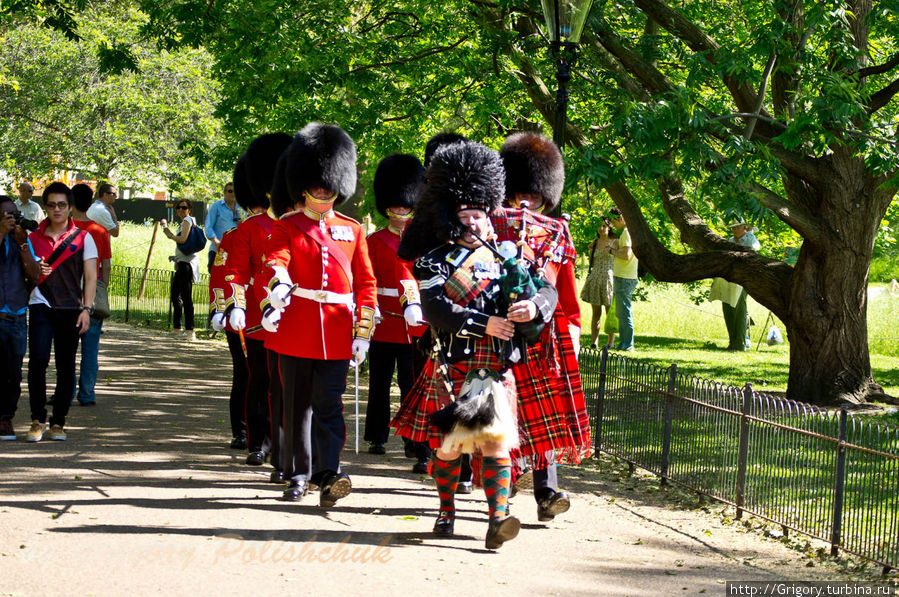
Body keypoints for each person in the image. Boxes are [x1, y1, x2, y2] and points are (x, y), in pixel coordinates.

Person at [393, 140, 558, 549]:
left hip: (497, 369)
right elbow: (436, 310)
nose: (474, 223)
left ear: (489, 215)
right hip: (453, 364)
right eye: (466, 216)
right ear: (452, 218)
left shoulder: (509, 257)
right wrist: (488, 323)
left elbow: (548, 293)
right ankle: (446, 509)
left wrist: (532, 309)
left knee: (495, 441)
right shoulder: (433, 261)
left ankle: (497, 519)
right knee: (450, 448)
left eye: (480, 215)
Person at [260, 123, 377, 507]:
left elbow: (365, 284)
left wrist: (362, 332)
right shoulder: (288, 226)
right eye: (318, 183)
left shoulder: (352, 230)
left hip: (339, 332)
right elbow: (278, 257)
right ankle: (297, 474)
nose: (324, 190)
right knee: (296, 407)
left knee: (329, 404)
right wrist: (278, 280)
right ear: (304, 184)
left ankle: (328, 473)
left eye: (329, 184)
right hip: (297, 327)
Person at [495, 131, 591, 522]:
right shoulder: (491, 228)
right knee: (509, 415)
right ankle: (506, 480)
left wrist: (573, 330)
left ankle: (547, 493)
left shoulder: (556, 234)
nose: (526, 202)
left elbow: (565, 291)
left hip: (544, 338)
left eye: (534, 196)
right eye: (520, 193)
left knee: (545, 417)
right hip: (499, 334)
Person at [213, 133, 292, 468]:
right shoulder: (245, 231)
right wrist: (231, 308)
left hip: (291, 319)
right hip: (257, 320)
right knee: (257, 382)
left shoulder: (297, 226)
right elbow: (231, 274)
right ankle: (257, 441)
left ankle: (284, 444)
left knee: (286, 386)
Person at [363, 153, 426, 458]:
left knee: (411, 385)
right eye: (395, 205)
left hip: (414, 325)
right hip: (384, 322)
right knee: (379, 384)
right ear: (386, 207)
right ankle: (377, 436)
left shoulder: (423, 241)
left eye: (406, 204)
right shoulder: (373, 241)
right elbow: (366, 280)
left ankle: (414, 440)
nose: (401, 210)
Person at [26, 182, 97, 442]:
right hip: (40, 304)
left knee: (66, 365)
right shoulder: (32, 239)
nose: (57, 209)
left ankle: (59, 422)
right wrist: (35, 271)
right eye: (52, 204)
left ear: (69, 207)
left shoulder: (83, 238)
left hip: (70, 308)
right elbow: (25, 272)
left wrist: (86, 309)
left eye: (62, 205)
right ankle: (37, 419)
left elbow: (90, 278)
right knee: (38, 361)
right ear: (45, 207)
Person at [0, 197, 42, 440]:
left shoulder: (22, 240)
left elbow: (35, 275)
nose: (12, 219)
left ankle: (5, 418)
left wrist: (23, 244)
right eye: (7, 215)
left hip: (16, 314)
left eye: (14, 215)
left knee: (13, 373)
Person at [70, 184, 112, 406]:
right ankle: (87, 393)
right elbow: (106, 265)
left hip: (67, 293)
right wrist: (102, 287)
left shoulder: (64, 228)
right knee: (91, 348)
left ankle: (65, 392)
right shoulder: (99, 231)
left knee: (66, 349)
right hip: (92, 291)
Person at [710, 218, 761, 351]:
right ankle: (732, 342)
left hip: (742, 278)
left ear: (744, 227)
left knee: (739, 311)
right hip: (728, 279)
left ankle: (740, 343)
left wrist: (750, 233)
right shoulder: (731, 241)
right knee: (728, 309)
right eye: (733, 228)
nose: (735, 230)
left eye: (738, 227)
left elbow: (754, 249)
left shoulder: (750, 239)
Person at [161, 199, 199, 340]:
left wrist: (168, 232)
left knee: (186, 297)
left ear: (189, 209)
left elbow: (182, 240)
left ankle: (190, 331)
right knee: (175, 295)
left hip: (187, 264)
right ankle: (177, 328)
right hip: (182, 262)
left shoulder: (188, 220)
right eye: (179, 207)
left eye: (184, 207)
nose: (181, 210)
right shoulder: (185, 222)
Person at [581, 219, 617, 348]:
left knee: (609, 313)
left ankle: (610, 343)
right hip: (596, 278)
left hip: (608, 278)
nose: (601, 229)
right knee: (596, 313)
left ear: (609, 227)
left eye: (604, 226)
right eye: (599, 226)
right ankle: (594, 342)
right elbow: (592, 261)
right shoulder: (594, 243)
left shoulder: (615, 242)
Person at [609, 207, 638, 351]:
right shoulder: (628, 232)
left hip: (625, 278)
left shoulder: (627, 232)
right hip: (623, 276)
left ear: (621, 218)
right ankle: (624, 342)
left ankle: (628, 344)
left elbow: (626, 255)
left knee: (624, 312)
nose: (613, 225)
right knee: (620, 312)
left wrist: (611, 250)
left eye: (614, 221)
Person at [205, 182, 244, 272]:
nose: (233, 194)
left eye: (235, 191)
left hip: (235, 252)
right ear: (224, 193)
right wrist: (216, 242)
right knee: (217, 281)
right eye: (230, 191)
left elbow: (245, 228)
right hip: (218, 250)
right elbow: (208, 227)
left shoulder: (242, 207)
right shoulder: (216, 206)